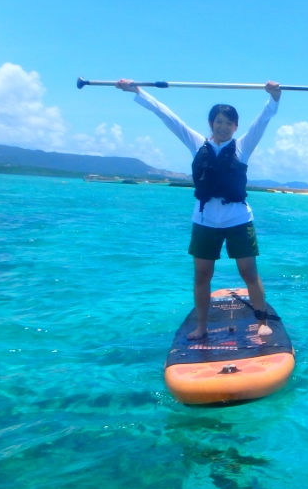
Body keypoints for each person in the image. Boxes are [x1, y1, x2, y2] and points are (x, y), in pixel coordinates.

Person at [116, 79, 282, 340]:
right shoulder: (197, 144)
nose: (223, 127)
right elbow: (168, 117)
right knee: (202, 274)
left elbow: (263, 120)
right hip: (205, 220)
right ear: (211, 123)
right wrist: (138, 91)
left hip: (238, 218)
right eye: (219, 121)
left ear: (235, 127)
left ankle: (261, 321)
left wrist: (273, 98)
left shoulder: (243, 147)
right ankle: (201, 325)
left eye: (229, 123)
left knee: (249, 272)